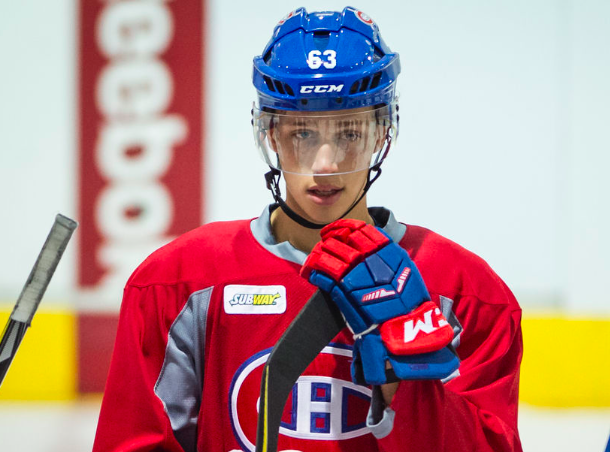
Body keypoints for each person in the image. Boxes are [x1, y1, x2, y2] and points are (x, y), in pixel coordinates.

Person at [93, 7, 523, 452]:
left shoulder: (467, 293)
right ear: (271, 136)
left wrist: (405, 377)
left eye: (350, 133)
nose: (326, 164)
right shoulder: (179, 283)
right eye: (301, 134)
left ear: (382, 135)